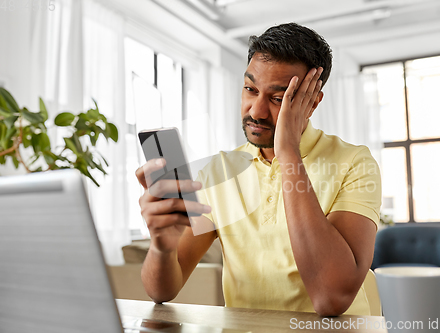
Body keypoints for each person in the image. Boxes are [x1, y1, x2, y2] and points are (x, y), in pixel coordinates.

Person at [135, 22, 381, 316]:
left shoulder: (354, 163)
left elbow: (331, 298)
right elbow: (162, 290)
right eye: (251, 89)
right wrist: (162, 248)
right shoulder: (219, 172)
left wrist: (288, 154)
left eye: (278, 99)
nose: (256, 111)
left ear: (312, 102)